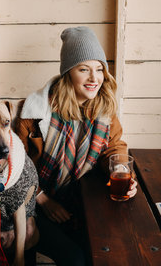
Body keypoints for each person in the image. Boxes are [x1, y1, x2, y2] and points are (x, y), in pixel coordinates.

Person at [15, 26, 137, 266]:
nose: (94, 78)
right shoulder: (33, 112)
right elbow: (14, 166)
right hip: (30, 203)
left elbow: (114, 148)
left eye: (99, 69)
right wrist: (43, 199)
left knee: (109, 249)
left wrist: (120, 170)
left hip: (81, 200)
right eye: (84, 69)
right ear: (68, 73)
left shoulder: (104, 110)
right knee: (76, 259)